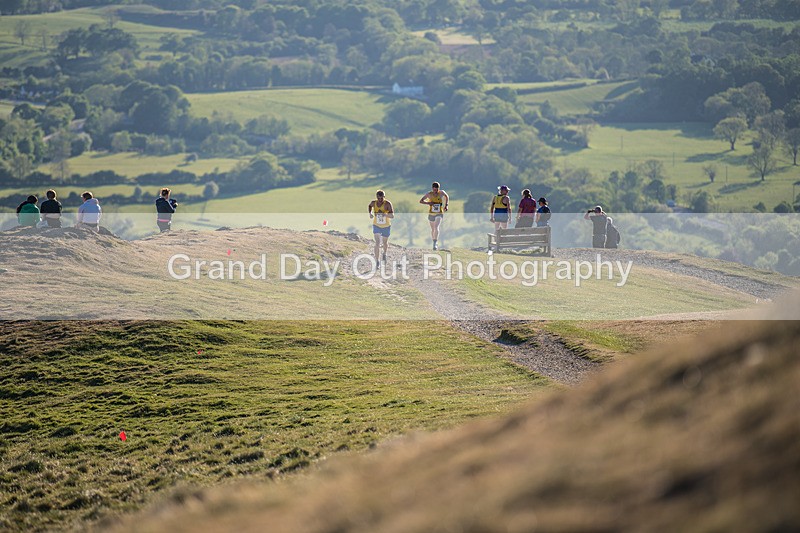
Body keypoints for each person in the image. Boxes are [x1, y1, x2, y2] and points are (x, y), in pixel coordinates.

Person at [419, 181, 448, 250]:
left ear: (438, 188)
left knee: (436, 227)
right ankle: (434, 241)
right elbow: (421, 201)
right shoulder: (429, 194)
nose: (435, 191)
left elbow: (447, 197)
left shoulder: (441, 193)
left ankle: (435, 242)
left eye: (436, 190)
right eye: (434, 189)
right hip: (431, 213)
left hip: (439, 213)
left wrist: (446, 205)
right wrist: (428, 203)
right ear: (432, 188)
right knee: (432, 229)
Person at [368, 189, 394, 266]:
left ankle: (385, 253)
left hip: (386, 226)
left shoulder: (387, 204)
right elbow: (369, 206)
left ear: (384, 197)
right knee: (377, 243)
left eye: (381, 198)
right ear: (376, 197)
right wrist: (370, 213)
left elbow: (392, 216)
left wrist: (385, 215)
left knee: (385, 243)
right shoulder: (373, 203)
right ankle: (377, 261)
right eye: (378, 198)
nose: (380, 200)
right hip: (376, 225)